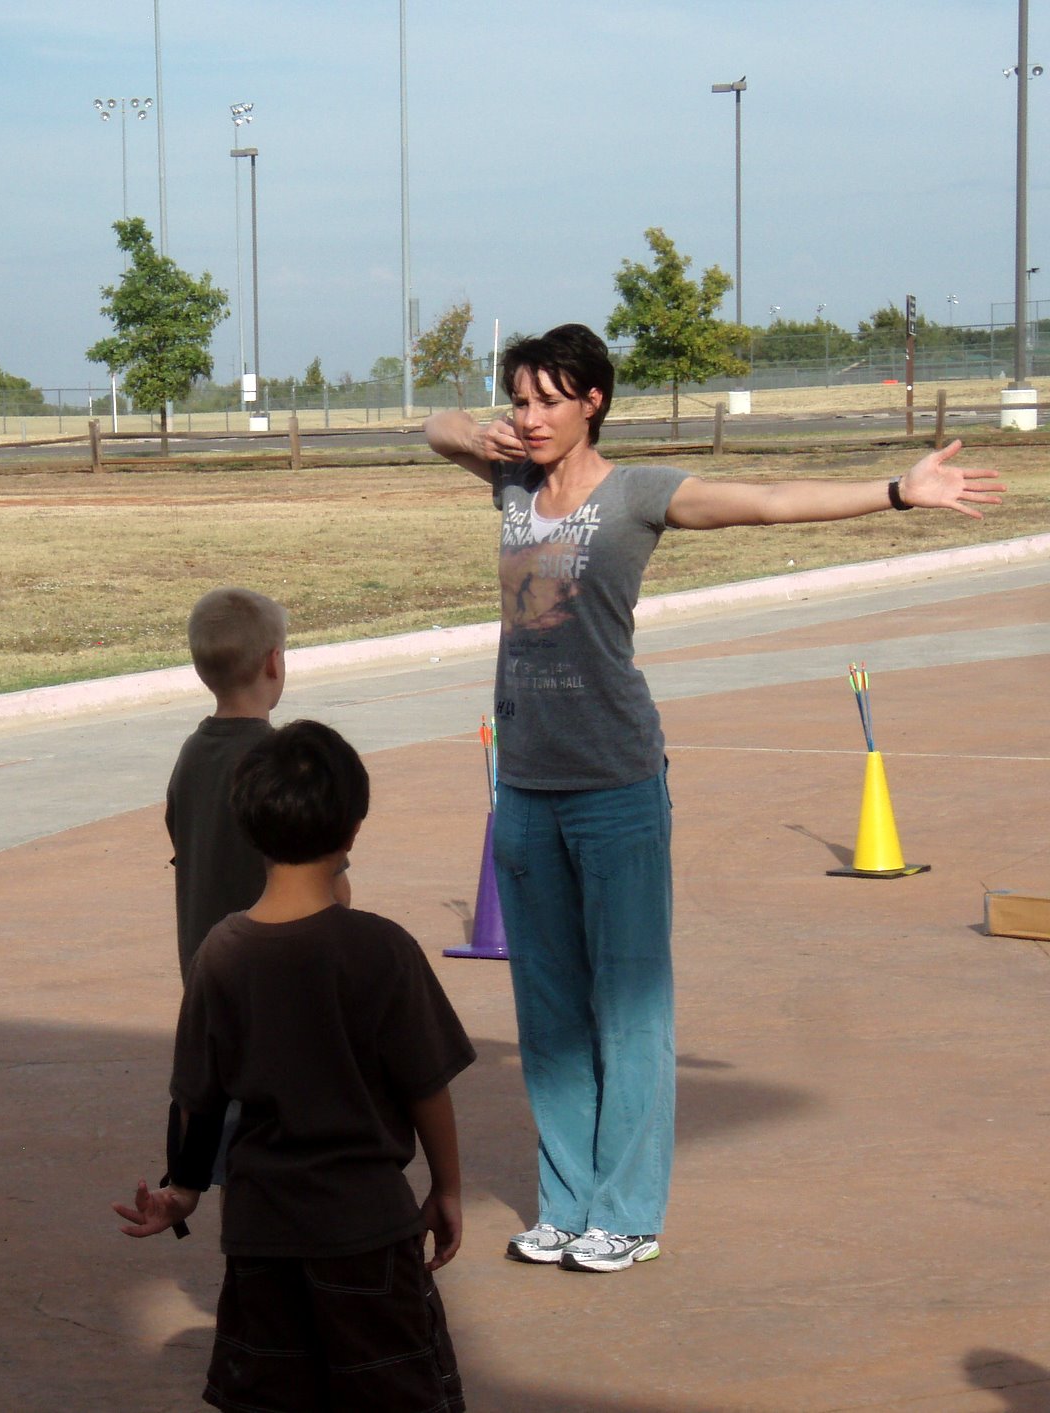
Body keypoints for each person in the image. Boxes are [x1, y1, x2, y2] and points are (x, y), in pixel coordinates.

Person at [424, 323, 1003, 1274]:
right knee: (548, 1009)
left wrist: (899, 490)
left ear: (593, 402)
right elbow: (439, 428)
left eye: (547, 401)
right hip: (526, 786)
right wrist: (474, 431)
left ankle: (627, 1212)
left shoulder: (637, 494)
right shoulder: (512, 483)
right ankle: (566, 1203)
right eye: (519, 400)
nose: (528, 418)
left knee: (630, 1002)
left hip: (614, 782)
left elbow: (769, 501)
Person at [115, 720, 475, 1412]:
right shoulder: (382, 948)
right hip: (366, 1228)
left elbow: (198, 1097)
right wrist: (447, 1185)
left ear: (249, 827)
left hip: (262, 1235)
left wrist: (184, 1192)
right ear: (353, 828)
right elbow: (426, 1082)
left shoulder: (221, 952)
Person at [164, 586, 288, 981]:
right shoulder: (281, 761)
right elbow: (327, 880)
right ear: (273, 663)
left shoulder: (192, 754)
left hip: (205, 974)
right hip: (274, 974)